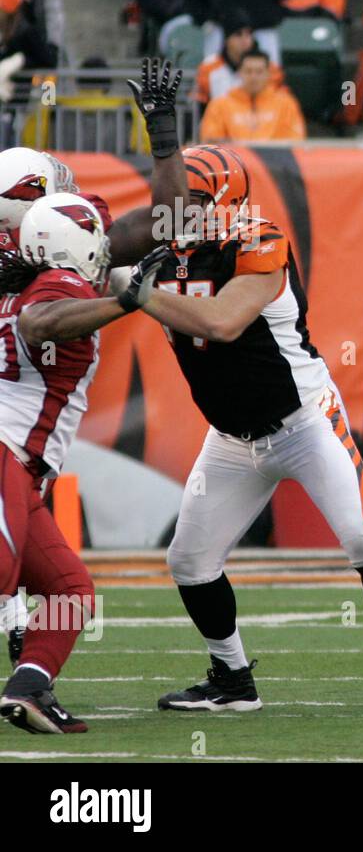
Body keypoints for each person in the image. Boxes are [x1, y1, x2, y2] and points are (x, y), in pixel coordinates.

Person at [112, 58, 363, 712]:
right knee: (189, 559)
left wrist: (137, 292)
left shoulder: (259, 240)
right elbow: (106, 242)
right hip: (232, 436)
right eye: (175, 198)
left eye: (191, 200)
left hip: (302, 420)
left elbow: (221, 320)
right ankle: (233, 678)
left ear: (223, 206)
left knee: (361, 538)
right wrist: (160, 136)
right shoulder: (169, 236)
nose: (176, 211)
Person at [0, 193, 143, 732]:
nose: (104, 252)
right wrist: (130, 304)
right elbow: (41, 325)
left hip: (20, 470)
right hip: (6, 456)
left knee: (68, 590)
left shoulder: (28, 283)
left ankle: (30, 687)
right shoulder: (58, 285)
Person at [199, 48, 306, 141]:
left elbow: (295, 141)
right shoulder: (219, 105)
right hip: (233, 163)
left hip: (275, 163)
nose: (253, 77)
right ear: (240, 73)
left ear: (268, 73)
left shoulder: (286, 103)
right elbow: (211, 141)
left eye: (259, 71)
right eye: (248, 71)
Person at [193, 8, 285, 108]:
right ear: (227, 39)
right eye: (238, 34)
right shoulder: (209, 68)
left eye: (249, 34)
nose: (245, 40)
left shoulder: (269, 69)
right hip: (218, 120)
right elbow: (199, 107)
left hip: (262, 121)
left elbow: (281, 105)